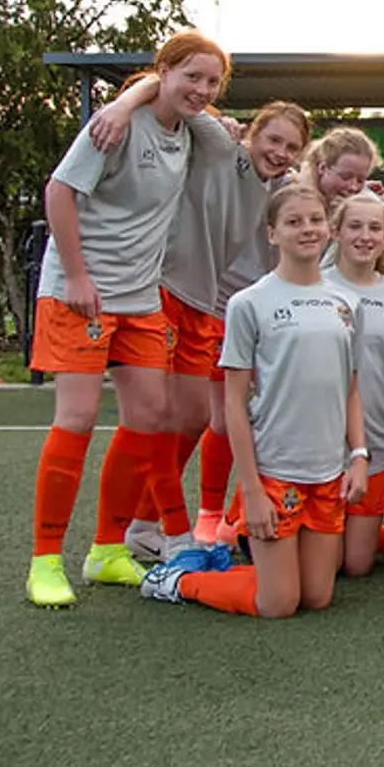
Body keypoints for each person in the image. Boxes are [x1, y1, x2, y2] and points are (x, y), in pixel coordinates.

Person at [27, 30, 231, 608]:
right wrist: (77, 275)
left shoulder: (190, 132)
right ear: (162, 70)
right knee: (80, 415)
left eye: (212, 81)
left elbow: (217, 139)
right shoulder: (113, 127)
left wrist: (143, 92)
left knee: (151, 415)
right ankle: (44, 560)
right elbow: (59, 192)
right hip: (79, 292)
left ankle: (106, 550)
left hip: (140, 298)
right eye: (191, 75)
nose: (202, 90)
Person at [81, 88, 306, 564]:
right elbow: (172, 87)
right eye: (274, 139)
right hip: (162, 290)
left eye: (291, 147)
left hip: (204, 304)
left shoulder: (277, 187)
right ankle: (137, 531)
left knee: (193, 419)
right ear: (252, 132)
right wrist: (122, 106)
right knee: (152, 418)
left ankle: (142, 526)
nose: (280, 152)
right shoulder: (221, 146)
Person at [139, 185, 368, 617]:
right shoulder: (250, 303)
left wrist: (357, 455)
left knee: (317, 597)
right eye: (294, 222)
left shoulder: (348, 303)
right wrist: (252, 489)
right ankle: (181, 580)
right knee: (278, 604)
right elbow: (233, 404)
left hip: (326, 473)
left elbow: (351, 388)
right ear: (271, 234)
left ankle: (226, 565)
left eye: (315, 220)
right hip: (274, 473)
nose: (307, 229)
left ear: (330, 229)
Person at [322, 193, 384, 576]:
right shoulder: (316, 286)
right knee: (322, 566)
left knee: (356, 567)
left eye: (375, 227)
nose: (365, 236)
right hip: (321, 446)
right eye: (355, 226)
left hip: (374, 442)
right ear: (336, 232)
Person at [298, 126, 381, 207]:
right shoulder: (292, 197)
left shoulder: (369, 204)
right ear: (322, 168)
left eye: (360, 180)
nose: (353, 187)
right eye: (345, 177)